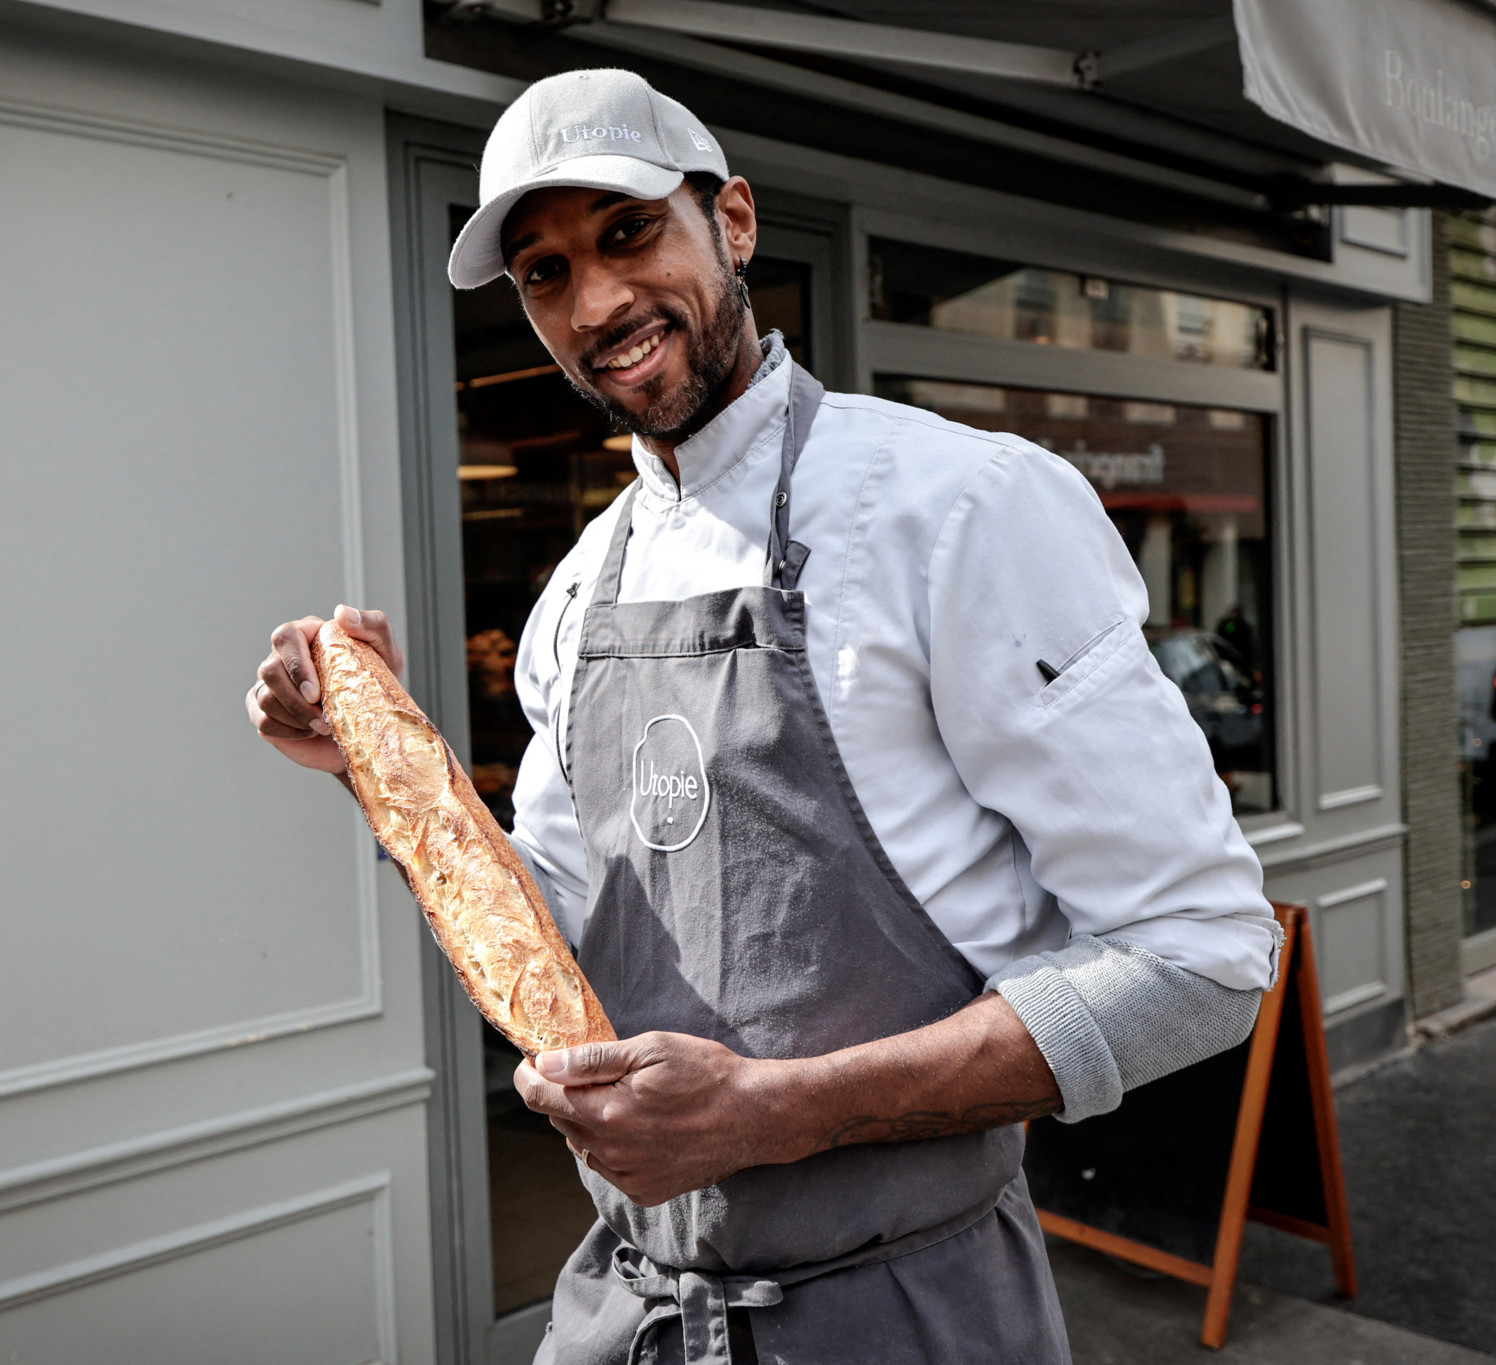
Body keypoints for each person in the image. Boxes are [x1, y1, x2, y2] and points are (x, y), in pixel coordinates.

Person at [246, 68, 1280, 1365]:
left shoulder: (961, 508)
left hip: (905, 1312)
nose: (597, 302)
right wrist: (385, 776)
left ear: (732, 220)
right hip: (632, 1315)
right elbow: (553, 944)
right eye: (546, 272)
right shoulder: (577, 594)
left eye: (628, 232)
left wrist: (770, 1112)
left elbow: (1206, 955)